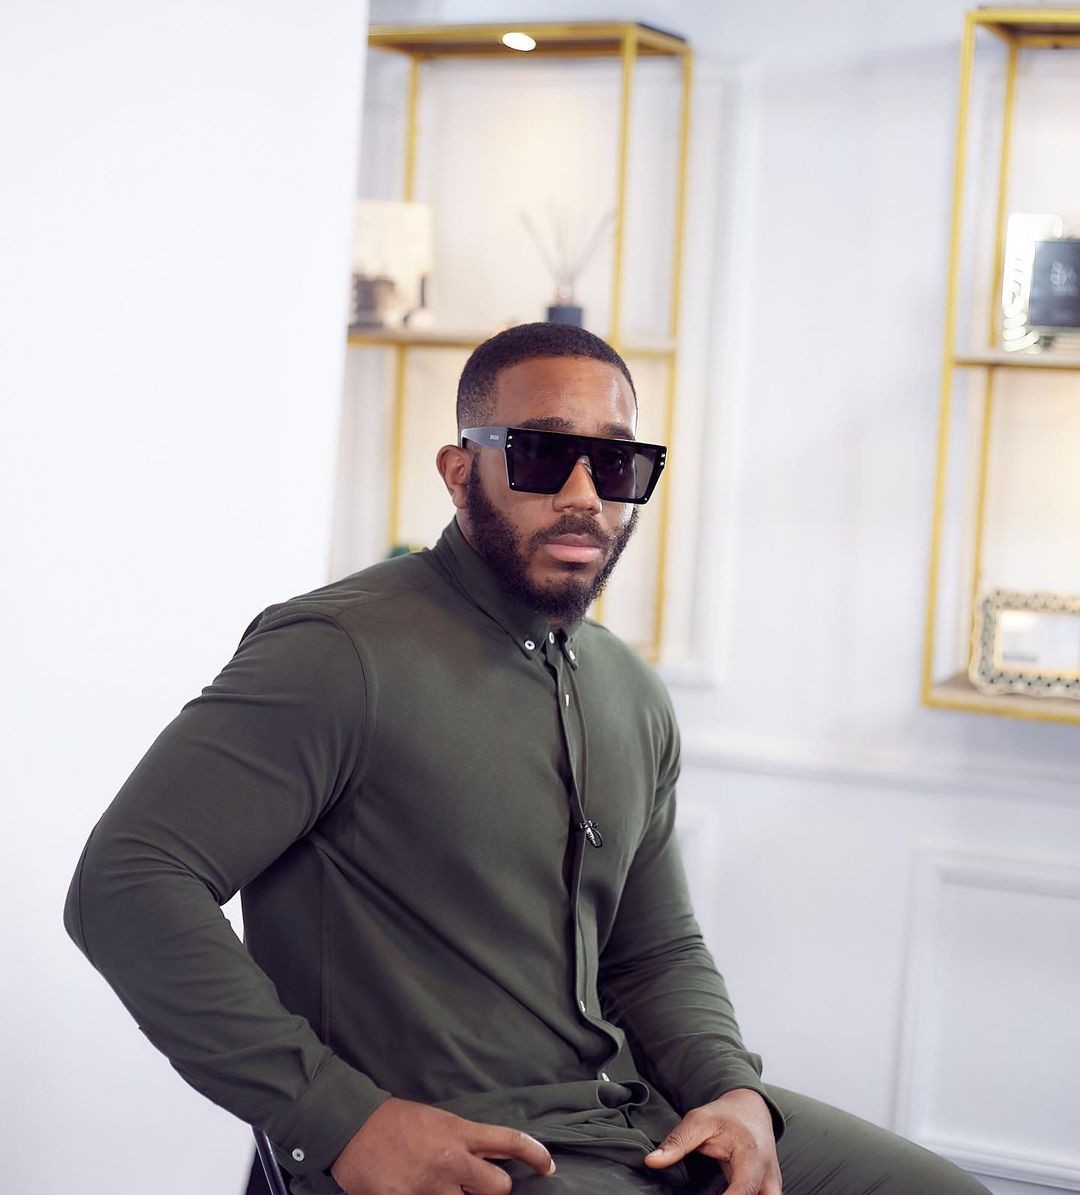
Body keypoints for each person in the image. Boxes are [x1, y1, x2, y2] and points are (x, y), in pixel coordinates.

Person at [65, 323, 989, 1195]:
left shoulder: (630, 689)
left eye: (616, 464)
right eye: (543, 454)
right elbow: (128, 880)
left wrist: (731, 1088)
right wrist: (338, 1118)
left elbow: (655, 949)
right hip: (469, 1144)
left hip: (634, 1118)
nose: (584, 495)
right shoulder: (336, 653)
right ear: (459, 470)